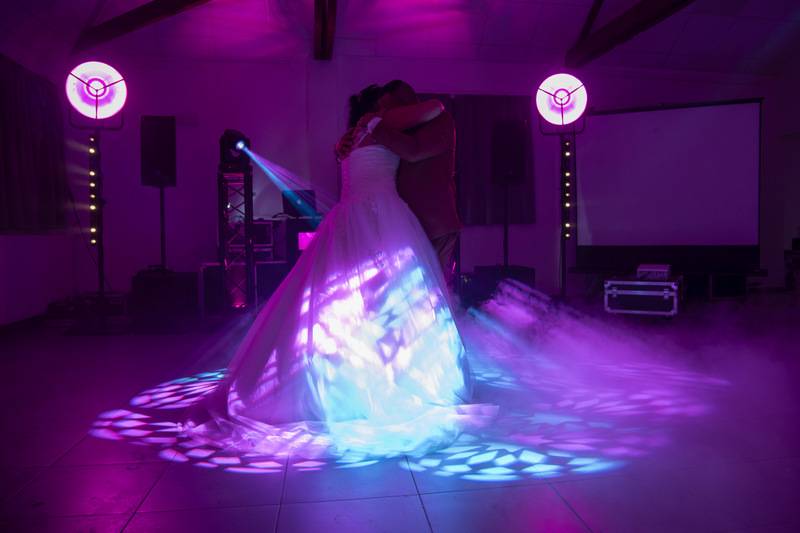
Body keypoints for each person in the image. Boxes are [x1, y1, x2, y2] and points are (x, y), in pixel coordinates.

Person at [185, 84, 479, 458]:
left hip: (349, 214)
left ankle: (353, 372)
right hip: (381, 213)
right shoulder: (380, 122)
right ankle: (390, 377)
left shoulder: (351, 137)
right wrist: (415, 108)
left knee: (351, 299)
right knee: (389, 299)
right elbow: (433, 109)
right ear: (378, 106)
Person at [337, 80, 461, 287]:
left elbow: (414, 151)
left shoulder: (440, 121)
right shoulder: (395, 129)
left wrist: (374, 125)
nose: (385, 113)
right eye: (382, 109)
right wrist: (349, 141)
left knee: (429, 289)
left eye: (388, 107)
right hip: (406, 221)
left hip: (434, 222)